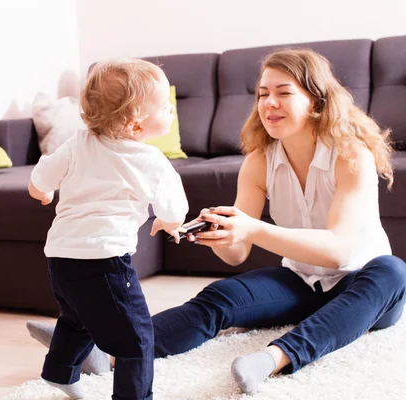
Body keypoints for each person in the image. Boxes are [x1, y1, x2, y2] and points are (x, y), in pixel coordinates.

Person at [27, 48, 406, 395]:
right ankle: (101, 351)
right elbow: (237, 254)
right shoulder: (261, 160)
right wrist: (223, 232)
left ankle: (274, 359)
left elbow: (339, 251)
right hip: (302, 281)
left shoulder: (350, 155)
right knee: (220, 297)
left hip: (364, 284)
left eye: (283, 92)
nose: (268, 103)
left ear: (316, 99)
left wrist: (254, 228)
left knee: (394, 271)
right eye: (261, 93)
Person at [27, 58, 189, 400]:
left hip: (60, 258)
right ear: (134, 127)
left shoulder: (77, 142)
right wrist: (168, 223)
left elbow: (40, 178)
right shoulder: (150, 162)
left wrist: (43, 191)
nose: (171, 110)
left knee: (77, 318)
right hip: (105, 264)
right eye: (165, 107)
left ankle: (60, 372)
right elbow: (175, 209)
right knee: (138, 338)